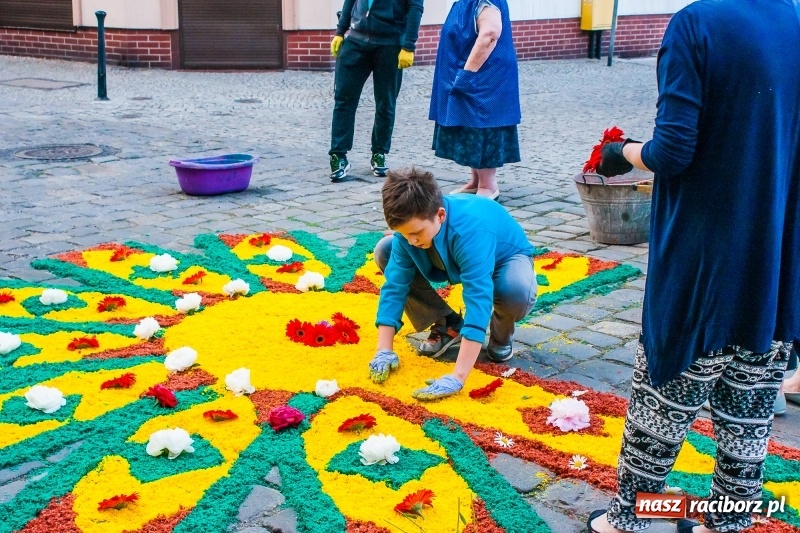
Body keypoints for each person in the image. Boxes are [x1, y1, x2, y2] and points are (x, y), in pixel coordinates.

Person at [588, 1, 800, 532]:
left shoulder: (695, 23)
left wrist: (621, 151)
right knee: (749, 409)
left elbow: (673, 151)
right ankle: (727, 521)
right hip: (773, 258)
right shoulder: (795, 19)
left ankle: (628, 519)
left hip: (703, 258)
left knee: (663, 399)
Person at [368, 167, 537, 400]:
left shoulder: (471, 231)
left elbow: (478, 298)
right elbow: (395, 287)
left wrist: (457, 377)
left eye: (416, 233)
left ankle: (501, 336)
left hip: (505, 259)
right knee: (385, 250)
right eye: (405, 234)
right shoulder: (411, 232)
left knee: (514, 289)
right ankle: (448, 323)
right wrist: (383, 350)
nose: (411, 241)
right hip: (449, 252)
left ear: (440, 215)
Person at [428, 0, 521, 200]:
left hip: (485, 76)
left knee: (482, 126)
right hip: (471, 74)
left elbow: (490, 34)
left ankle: (488, 186)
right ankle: (476, 181)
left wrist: (467, 73)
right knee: (470, 125)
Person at [328, 0, 424, 182]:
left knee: (385, 102)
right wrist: (340, 32)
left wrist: (409, 46)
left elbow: (415, 7)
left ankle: (379, 153)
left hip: (390, 44)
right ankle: (338, 155)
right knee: (344, 100)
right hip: (356, 41)